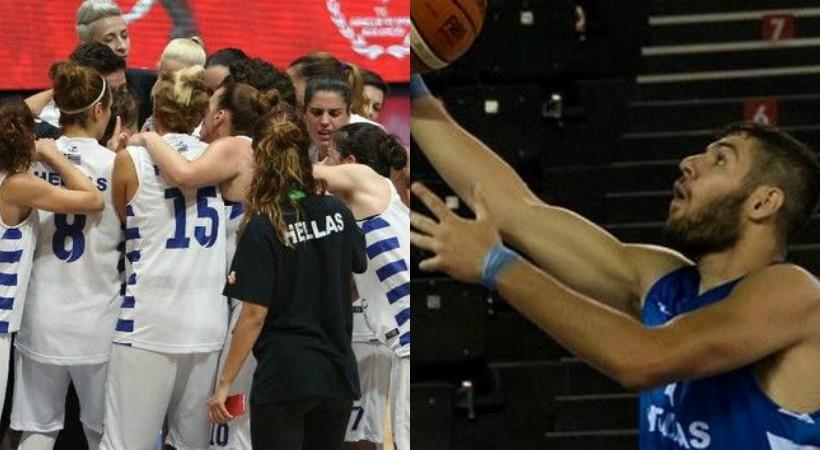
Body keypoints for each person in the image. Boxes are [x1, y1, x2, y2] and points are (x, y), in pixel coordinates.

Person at [409, 75, 820, 448]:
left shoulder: (793, 293)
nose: (689, 163)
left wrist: (496, 266)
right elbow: (515, 210)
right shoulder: (663, 282)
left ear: (763, 202)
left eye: (720, 160)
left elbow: (641, 359)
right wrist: (407, 87)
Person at [207, 103, 367, 450]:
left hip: (285, 377)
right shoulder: (337, 211)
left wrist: (224, 383)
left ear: (260, 159)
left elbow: (253, 314)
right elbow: (355, 276)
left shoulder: (263, 226)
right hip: (336, 372)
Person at [129, 80, 276, 450]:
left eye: (210, 107)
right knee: (212, 423)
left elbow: (186, 176)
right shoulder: (251, 149)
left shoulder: (234, 146)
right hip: (233, 295)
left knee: (227, 419)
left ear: (221, 116)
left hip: (245, 298)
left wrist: (149, 138)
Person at [100, 66, 228, 450]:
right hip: (207, 323)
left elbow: (124, 219)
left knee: (125, 443)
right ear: (201, 113)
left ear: (155, 107)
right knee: (191, 445)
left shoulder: (132, 159)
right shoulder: (219, 158)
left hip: (148, 321)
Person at [10, 61, 121, 450]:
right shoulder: (117, 164)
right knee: (103, 432)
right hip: (99, 318)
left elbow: (15, 116)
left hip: (40, 315)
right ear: (99, 110)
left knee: (37, 428)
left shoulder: (28, 159)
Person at [0, 99, 104, 438]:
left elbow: (16, 110)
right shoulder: (18, 186)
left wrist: (51, 90)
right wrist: (55, 157)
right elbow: (93, 200)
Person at [313, 123, 410, 450]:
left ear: (350, 162)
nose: (323, 162)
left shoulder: (365, 178)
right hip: (401, 345)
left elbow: (298, 177)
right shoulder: (364, 209)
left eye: (329, 156)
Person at [75, 0, 157, 127]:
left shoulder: (148, 85)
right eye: (109, 39)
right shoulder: (72, 96)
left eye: (124, 36)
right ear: (87, 46)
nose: (122, 46)